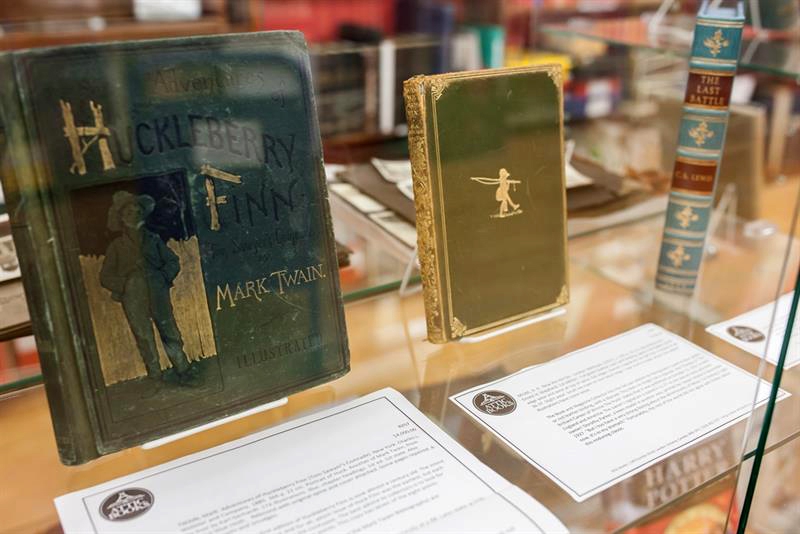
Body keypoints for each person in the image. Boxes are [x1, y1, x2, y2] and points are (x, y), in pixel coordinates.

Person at [100, 191, 199, 386]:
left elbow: (172, 262)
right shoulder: (116, 247)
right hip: (132, 297)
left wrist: (162, 277)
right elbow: (105, 276)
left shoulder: (154, 239)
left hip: (157, 292)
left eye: (138, 212)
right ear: (120, 217)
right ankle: (155, 377)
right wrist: (126, 285)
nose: (133, 216)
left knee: (169, 331)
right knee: (143, 336)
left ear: (143, 215)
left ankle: (183, 370)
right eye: (128, 213)